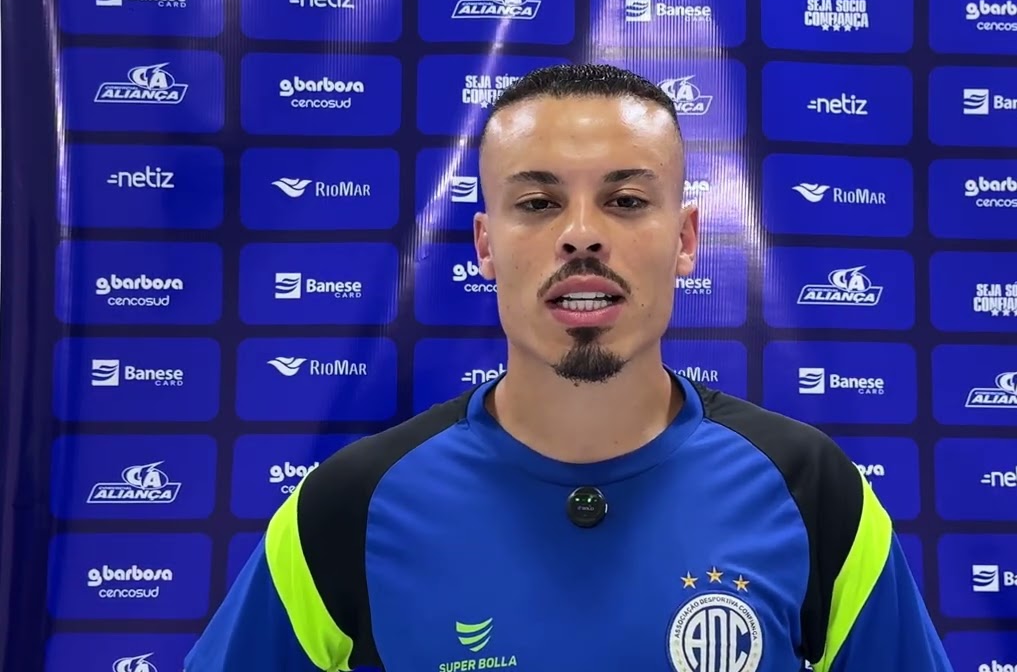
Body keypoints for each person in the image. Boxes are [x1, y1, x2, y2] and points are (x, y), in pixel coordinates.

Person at [184, 63, 953, 672]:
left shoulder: (811, 489)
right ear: (485, 245)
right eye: (538, 203)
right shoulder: (350, 504)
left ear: (686, 239)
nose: (581, 235)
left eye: (626, 200)